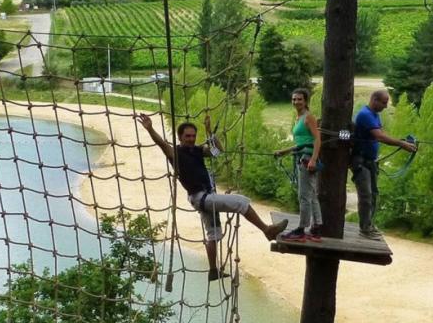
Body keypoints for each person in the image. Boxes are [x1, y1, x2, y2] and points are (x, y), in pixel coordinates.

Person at [135, 113, 288, 281]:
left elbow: (217, 151)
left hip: (205, 197)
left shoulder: (198, 151)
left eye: (193, 136)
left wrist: (209, 131)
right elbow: (161, 144)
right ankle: (267, 230)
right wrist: (150, 129)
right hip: (202, 198)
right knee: (241, 202)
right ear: (179, 137)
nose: (191, 139)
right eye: (187, 136)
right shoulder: (176, 153)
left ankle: (213, 270)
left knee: (213, 235)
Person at [351, 90, 417, 240]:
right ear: (374, 100)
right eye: (384, 103)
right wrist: (401, 143)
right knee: (366, 195)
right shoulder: (365, 115)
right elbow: (379, 136)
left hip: (370, 162)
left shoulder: (374, 115)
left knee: (373, 195)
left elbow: (381, 132)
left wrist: (401, 141)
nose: (386, 106)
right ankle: (365, 229)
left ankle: (368, 226)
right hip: (360, 161)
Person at [274, 88, 322, 241]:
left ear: (305, 101)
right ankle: (316, 228)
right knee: (312, 195)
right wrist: (284, 151)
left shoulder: (309, 118)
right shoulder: (299, 118)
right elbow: (302, 142)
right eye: (294, 99)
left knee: (304, 196)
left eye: (299, 99)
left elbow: (317, 140)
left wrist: (313, 159)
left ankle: (301, 229)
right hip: (304, 155)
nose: (296, 102)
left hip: (307, 159)